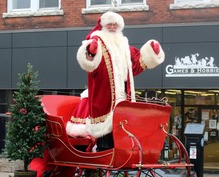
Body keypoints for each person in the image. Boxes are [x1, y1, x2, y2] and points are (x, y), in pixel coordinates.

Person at [66, 11, 165, 151]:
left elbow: (135, 64)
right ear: (104, 26)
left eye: (115, 25)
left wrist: (151, 52)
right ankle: (103, 149)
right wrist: (91, 52)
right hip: (104, 93)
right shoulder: (98, 42)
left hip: (124, 94)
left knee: (122, 124)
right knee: (106, 126)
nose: (112, 27)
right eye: (109, 24)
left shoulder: (124, 45)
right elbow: (91, 66)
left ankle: (121, 149)